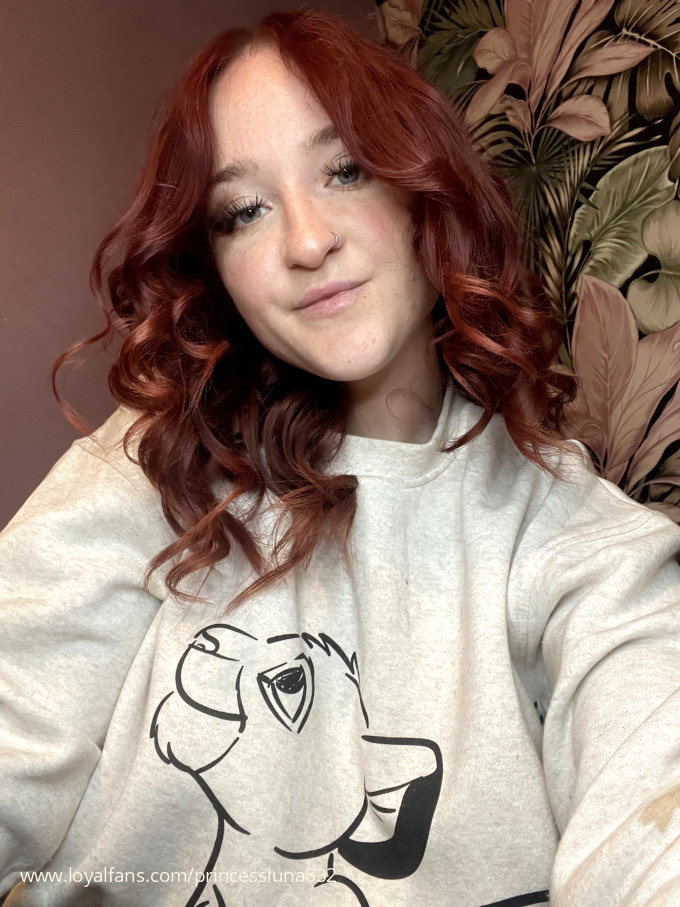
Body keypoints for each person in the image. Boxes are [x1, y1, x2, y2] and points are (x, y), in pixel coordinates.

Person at [1, 9, 679, 907]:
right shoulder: (148, 469)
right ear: (216, 268)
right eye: (243, 211)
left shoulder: (579, 542)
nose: (306, 241)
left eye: (346, 169)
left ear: (424, 188)